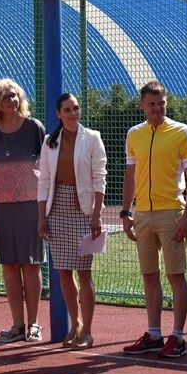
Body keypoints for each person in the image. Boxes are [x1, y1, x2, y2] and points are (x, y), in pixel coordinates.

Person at [121, 80, 187, 359]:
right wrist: (126, 212)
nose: (157, 108)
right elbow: (130, 175)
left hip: (171, 213)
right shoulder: (134, 134)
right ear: (142, 105)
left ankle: (177, 337)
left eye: (161, 103)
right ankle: (154, 334)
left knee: (175, 275)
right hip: (142, 215)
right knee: (149, 276)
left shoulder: (182, 132)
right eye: (151, 104)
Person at [37, 93, 107, 350]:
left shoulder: (93, 138)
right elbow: (44, 180)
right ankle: (75, 324)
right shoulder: (50, 141)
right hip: (57, 210)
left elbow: (100, 177)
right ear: (58, 114)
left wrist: (96, 215)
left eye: (75, 108)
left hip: (83, 210)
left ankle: (87, 331)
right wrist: (41, 217)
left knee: (84, 272)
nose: (72, 113)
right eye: (67, 110)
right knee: (64, 272)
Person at [0, 78, 47, 343]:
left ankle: (34, 324)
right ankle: (18, 326)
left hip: (30, 203)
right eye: (6, 96)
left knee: (31, 263)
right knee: (8, 263)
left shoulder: (34, 127)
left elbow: (46, 163)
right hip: (0, 204)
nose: (12, 100)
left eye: (15, 95)